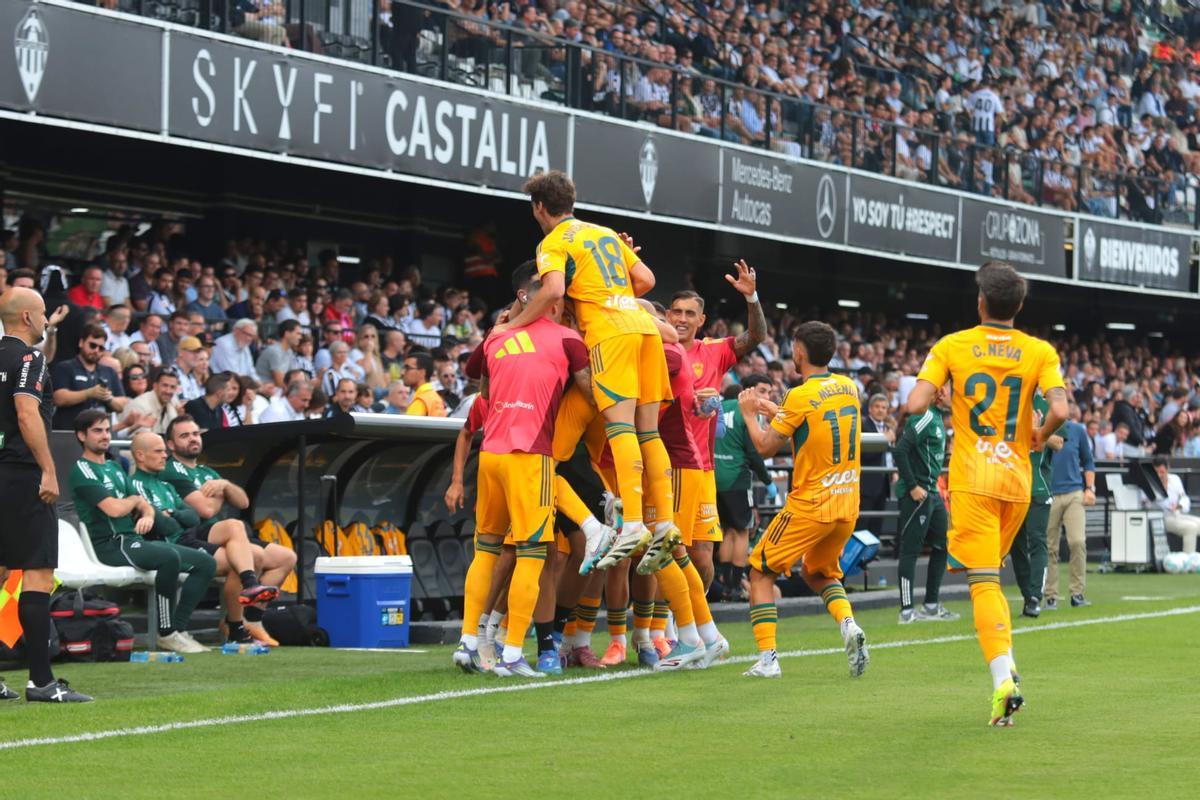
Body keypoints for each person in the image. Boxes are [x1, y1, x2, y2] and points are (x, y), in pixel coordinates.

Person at [907, 261, 1068, 726]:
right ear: (1018, 306)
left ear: (980, 302)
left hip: (973, 478)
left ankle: (1003, 679)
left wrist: (941, 394)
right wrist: (1039, 432)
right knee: (991, 579)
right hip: (1017, 481)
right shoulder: (1040, 351)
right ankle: (1008, 669)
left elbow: (915, 403)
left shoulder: (952, 345)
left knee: (981, 582)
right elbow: (1060, 407)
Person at [507, 171, 673, 569]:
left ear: (539, 207)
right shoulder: (603, 232)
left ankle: (633, 522)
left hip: (610, 335)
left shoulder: (552, 241)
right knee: (648, 430)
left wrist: (514, 325)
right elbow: (646, 279)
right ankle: (664, 521)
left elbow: (552, 291)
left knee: (621, 428)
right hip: (643, 329)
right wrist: (615, 295)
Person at [452, 264, 589, 679]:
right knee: (532, 555)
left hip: (490, 453)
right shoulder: (569, 339)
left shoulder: (497, 335)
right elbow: (591, 393)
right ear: (546, 293)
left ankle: (468, 642)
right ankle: (512, 654)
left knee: (486, 552)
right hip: (531, 455)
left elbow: (479, 384)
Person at [737, 321, 869, 680]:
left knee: (760, 572)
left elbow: (765, 447)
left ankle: (768, 660)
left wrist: (751, 415)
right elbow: (813, 420)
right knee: (817, 571)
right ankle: (848, 624)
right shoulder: (849, 386)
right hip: (847, 503)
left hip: (811, 504)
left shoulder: (798, 395)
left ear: (798, 352)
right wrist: (773, 409)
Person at [0, 287, 92, 702]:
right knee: (37, 575)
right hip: (20, 474)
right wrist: (49, 469)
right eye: (41, 316)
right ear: (27, 319)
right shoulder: (28, 358)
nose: (44, 324)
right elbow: (25, 410)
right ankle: (41, 681)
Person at [69, 411, 215, 655]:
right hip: (109, 545)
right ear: (81, 436)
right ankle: (165, 633)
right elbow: (114, 509)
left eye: (107, 430)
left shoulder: (115, 467)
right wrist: (135, 501)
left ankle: (177, 630)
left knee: (205, 563)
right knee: (169, 558)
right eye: (98, 431)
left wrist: (146, 514)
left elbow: (143, 506)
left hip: (130, 540)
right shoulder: (82, 470)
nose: (105, 435)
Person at [128, 429, 278, 646]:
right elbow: (169, 527)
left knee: (250, 553)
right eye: (159, 451)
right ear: (140, 456)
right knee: (239, 553)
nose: (164, 455)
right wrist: (175, 517)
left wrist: (175, 514)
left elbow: (192, 518)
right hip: (167, 545)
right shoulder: (136, 484)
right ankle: (182, 628)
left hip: (186, 538)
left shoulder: (165, 486)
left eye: (164, 451)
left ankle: (240, 616)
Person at [667, 266, 766, 590]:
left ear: (701, 320)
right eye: (677, 311)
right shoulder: (653, 349)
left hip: (703, 470)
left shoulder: (713, 350)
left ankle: (696, 617)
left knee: (702, 553)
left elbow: (755, 337)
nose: (681, 318)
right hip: (662, 465)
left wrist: (750, 297)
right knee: (663, 552)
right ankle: (659, 626)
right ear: (667, 315)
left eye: (689, 313)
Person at [162, 416, 292, 643]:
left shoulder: (206, 472)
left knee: (286, 557)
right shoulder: (172, 470)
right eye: (184, 436)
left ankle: (252, 620)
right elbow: (206, 511)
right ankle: (235, 623)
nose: (192, 439)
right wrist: (221, 494)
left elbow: (243, 502)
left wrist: (224, 485)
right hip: (191, 532)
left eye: (195, 434)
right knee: (243, 541)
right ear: (171, 445)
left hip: (218, 533)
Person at [893, 384, 957, 623]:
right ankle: (907, 611)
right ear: (940, 394)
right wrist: (912, 486)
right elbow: (900, 450)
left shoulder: (938, 418)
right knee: (910, 550)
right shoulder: (925, 417)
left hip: (932, 493)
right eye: (951, 391)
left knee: (942, 545)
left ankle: (931, 604)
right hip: (917, 494)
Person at [714, 376, 773, 602]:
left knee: (727, 529)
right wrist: (767, 481)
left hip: (713, 477)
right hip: (736, 477)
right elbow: (754, 451)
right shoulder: (746, 413)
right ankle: (734, 587)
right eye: (762, 391)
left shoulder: (718, 408)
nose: (765, 397)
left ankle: (724, 583)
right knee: (741, 532)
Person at [1009, 392, 1063, 619]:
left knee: (1037, 541)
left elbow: (1059, 443)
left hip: (1037, 487)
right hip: (1011, 487)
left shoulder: (1048, 406)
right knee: (1015, 545)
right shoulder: (1008, 401)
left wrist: (1037, 431)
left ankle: (1034, 598)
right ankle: (1027, 595)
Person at [1044, 403, 1096, 610]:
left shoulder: (1078, 431)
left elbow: (1088, 461)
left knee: (1077, 542)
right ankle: (1050, 595)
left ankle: (1077, 593)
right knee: (1049, 547)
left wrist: (1090, 488)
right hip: (1049, 493)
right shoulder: (1042, 429)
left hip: (1075, 492)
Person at [50, 323, 128, 430]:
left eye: (101, 348)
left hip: (101, 434)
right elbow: (58, 398)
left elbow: (122, 403)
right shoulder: (65, 367)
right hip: (69, 431)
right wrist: (89, 393)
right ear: (81, 343)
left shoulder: (109, 372)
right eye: (92, 345)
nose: (96, 350)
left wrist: (109, 398)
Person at [1149, 456, 1199, 554]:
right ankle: (1187, 561)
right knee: (1191, 527)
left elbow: (1184, 497)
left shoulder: (1175, 479)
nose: (1159, 475)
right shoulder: (1150, 483)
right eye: (1156, 472)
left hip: (1177, 515)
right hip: (1161, 519)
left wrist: (1179, 505)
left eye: (1162, 472)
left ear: (1168, 469)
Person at [118, 365, 180, 436]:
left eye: (172, 387)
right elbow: (143, 440)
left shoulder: (173, 401)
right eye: (165, 385)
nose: (168, 391)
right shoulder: (140, 406)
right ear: (155, 386)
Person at [256, 319, 302, 386]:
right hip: (265, 390)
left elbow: (294, 375)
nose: (300, 337)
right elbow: (280, 382)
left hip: (278, 391)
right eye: (298, 334)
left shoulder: (289, 351)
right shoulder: (274, 351)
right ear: (287, 334)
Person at [402, 352, 446, 417]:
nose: (402, 372)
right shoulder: (434, 397)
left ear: (422, 372)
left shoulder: (421, 401)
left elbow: (407, 426)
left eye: (407, 368)